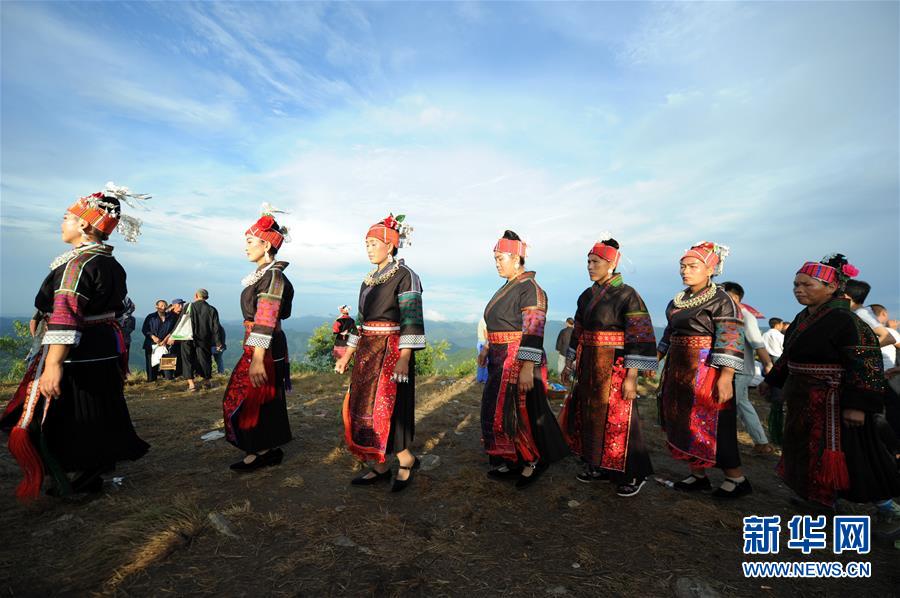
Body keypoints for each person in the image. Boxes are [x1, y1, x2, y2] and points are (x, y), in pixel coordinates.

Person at [1, 182, 150, 499]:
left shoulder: (78, 265)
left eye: (67, 217)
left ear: (85, 225)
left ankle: (80, 471)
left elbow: (66, 313)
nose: (62, 222)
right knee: (100, 406)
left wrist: (53, 363)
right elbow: (120, 307)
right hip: (102, 348)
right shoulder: (109, 263)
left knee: (73, 412)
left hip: (75, 353)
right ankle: (95, 465)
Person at [760, 255, 900, 529]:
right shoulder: (803, 318)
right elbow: (789, 356)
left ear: (831, 287)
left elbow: (866, 363)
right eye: (796, 284)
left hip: (834, 401)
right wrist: (773, 380)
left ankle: (885, 506)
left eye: (807, 284)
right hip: (803, 397)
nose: (799, 290)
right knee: (807, 449)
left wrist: (858, 406)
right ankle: (819, 499)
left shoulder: (847, 321)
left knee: (849, 452)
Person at [558, 237, 658, 497]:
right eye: (588, 262)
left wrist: (631, 376)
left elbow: (638, 336)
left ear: (612, 264)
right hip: (589, 366)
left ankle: (633, 473)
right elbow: (578, 331)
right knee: (591, 415)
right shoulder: (586, 296)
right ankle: (599, 466)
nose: (590, 266)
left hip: (616, 367)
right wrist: (569, 362)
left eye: (596, 262)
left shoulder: (627, 295)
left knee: (619, 418)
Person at [335, 214, 425, 492]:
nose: (369, 249)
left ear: (391, 245)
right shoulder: (368, 281)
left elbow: (411, 319)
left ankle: (406, 459)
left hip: (393, 351)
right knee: (365, 407)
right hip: (367, 352)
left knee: (390, 408)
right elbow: (361, 323)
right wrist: (347, 355)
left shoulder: (406, 276)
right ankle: (380, 465)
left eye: (374, 243)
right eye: (367, 244)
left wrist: (405, 357)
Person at [657, 242, 751, 498]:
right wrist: (657, 357)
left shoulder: (723, 301)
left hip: (707, 370)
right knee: (682, 420)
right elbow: (670, 333)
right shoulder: (677, 301)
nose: (685, 271)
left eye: (692, 266)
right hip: (679, 369)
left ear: (710, 269)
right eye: (682, 266)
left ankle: (736, 479)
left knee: (714, 423)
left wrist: (726, 376)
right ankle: (698, 475)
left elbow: (730, 338)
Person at [477, 231, 568, 488]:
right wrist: (487, 347)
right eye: (495, 259)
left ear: (516, 259)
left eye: (500, 258)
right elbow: (498, 323)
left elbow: (534, 330)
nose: (497, 263)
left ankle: (533, 460)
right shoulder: (509, 287)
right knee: (498, 409)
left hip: (518, 359)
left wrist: (528, 366)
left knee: (521, 412)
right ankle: (513, 458)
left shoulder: (531, 290)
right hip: (499, 358)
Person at [222, 206, 294, 472]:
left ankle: (261, 450)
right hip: (257, 343)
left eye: (250, 241)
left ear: (266, 245)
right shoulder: (265, 275)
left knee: (248, 396)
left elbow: (266, 319)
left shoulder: (273, 277)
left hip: (263, 345)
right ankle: (267, 448)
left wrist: (258, 358)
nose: (246, 247)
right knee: (261, 397)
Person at [722, 282, 775, 455]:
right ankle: (762, 443)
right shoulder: (728, 314)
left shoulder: (745, 315)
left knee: (726, 408)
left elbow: (757, 343)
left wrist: (768, 365)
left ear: (735, 297)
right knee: (743, 406)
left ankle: (721, 445)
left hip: (740, 370)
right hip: (735, 369)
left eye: (724, 295)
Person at [182, 289, 223, 391]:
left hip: (188, 337)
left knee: (187, 359)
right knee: (205, 359)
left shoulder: (189, 306)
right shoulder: (212, 309)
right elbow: (216, 328)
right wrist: (218, 342)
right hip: (205, 338)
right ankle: (206, 381)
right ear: (207, 297)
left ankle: (191, 384)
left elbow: (180, 322)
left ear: (196, 295)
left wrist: (173, 336)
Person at [762, 317, 788, 445]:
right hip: (779, 360)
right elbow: (785, 350)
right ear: (778, 325)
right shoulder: (780, 336)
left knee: (770, 383)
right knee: (779, 387)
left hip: (768, 359)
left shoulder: (765, 335)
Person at [844, 280, 893, 347]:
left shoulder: (862, 313)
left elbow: (888, 338)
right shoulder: (858, 312)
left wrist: (861, 350)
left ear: (845, 296)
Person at [141, 299, 176, 381]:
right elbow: (144, 329)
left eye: (165, 306)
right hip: (151, 343)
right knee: (151, 365)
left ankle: (168, 378)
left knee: (168, 366)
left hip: (166, 344)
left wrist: (165, 340)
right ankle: (151, 380)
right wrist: (153, 337)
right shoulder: (151, 317)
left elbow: (173, 330)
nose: (163, 307)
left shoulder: (170, 318)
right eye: (161, 305)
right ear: (156, 307)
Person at [164, 299, 186, 378]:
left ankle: (178, 374)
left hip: (180, 341)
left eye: (182, 305)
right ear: (173, 306)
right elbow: (167, 329)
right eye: (179, 304)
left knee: (180, 358)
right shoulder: (168, 316)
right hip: (169, 340)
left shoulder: (183, 315)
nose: (181, 306)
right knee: (169, 357)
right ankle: (168, 376)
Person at [476, 317, 489, 383]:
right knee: (487, 361)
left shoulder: (482, 319)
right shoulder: (485, 320)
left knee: (481, 361)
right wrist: (487, 343)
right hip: (484, 343)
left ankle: (479, 378)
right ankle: (485, 379)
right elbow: (486, 333)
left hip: (480, 342)